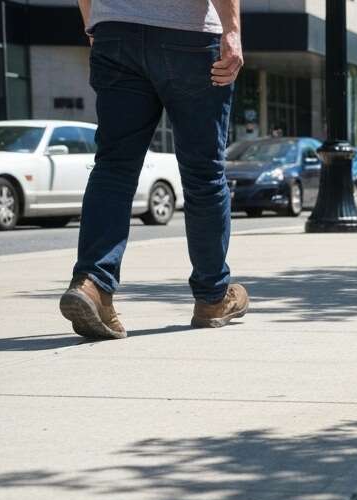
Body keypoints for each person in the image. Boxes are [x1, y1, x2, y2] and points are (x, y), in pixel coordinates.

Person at [59, 0, 248, 340]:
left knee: (114, 167)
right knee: (203, 174)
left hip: (114, 30)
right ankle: (212, 297)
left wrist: (96, 24)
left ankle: (93, 284)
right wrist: (232, 31)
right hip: (189, 37)